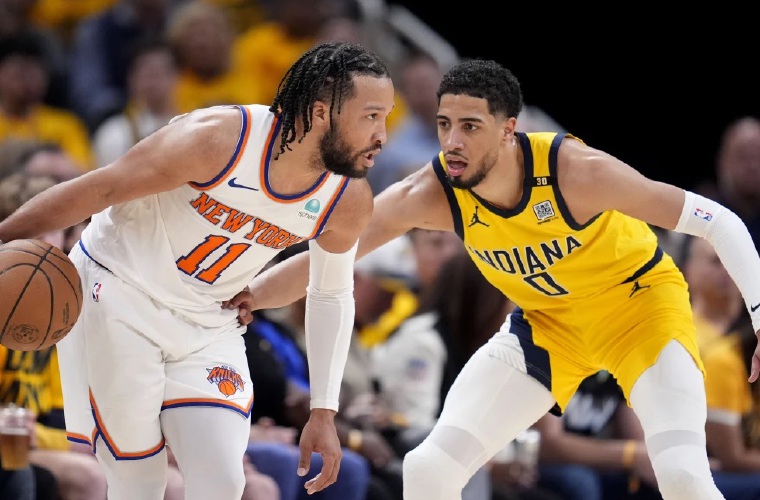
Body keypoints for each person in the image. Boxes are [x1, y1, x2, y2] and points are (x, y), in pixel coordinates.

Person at [228, 58, 760, 500]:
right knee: (428, 468)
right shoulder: (430, 193)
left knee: (684, 477)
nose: (452, 141)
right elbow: (328, 257)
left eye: (470, 126)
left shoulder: (576, 171)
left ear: (509, 130)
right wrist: (249, 296)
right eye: (444, 124)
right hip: (550, 327)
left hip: (641, 312)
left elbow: (721, 222)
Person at [0, 40, 394, 500]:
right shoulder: (218, 139)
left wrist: (323, 411)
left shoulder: (347, 199)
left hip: (208, 320)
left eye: (385, 117)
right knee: (139, 481)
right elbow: (101, 188)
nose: (383, 135)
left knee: (224, 481)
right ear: (322, 113)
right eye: (371, 117)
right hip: (120, 292)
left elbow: (330, 294)